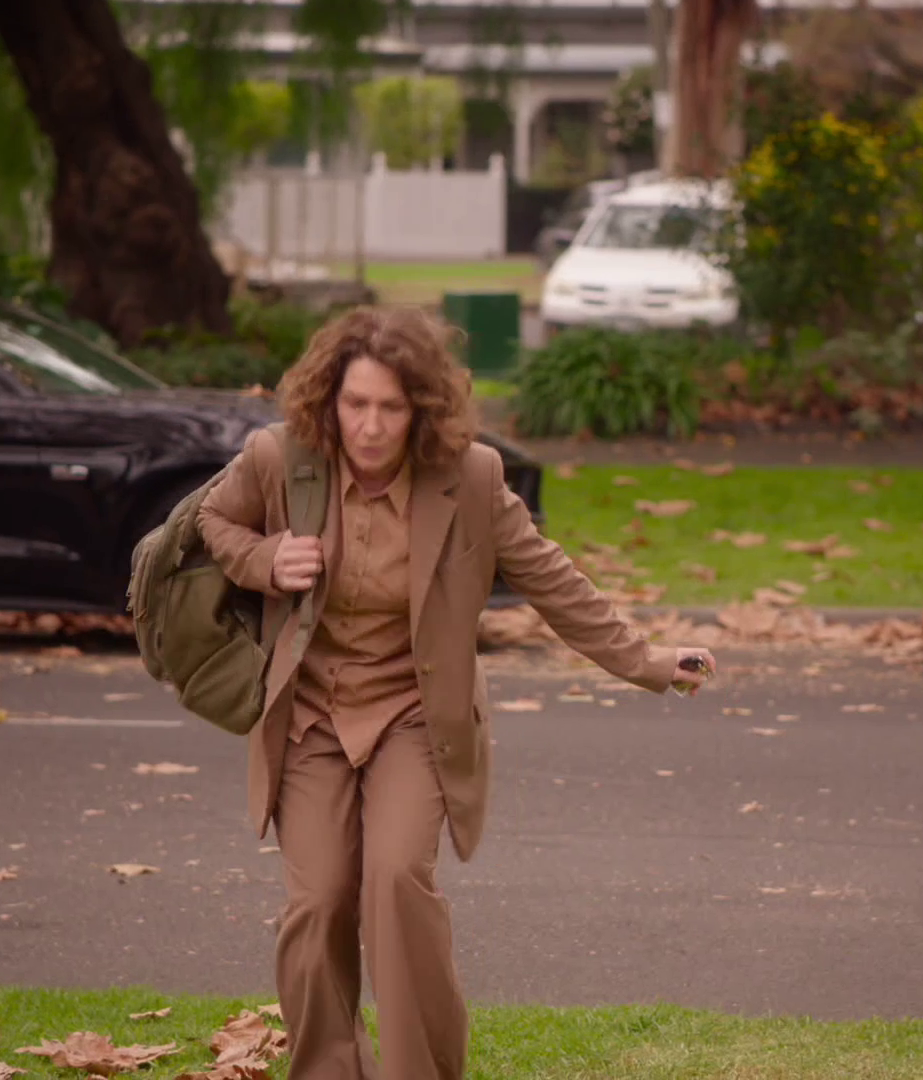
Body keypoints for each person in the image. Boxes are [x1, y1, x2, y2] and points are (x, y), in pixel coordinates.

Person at [197, 306, 716, 1080]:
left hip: (414, 711)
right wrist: (264, 560)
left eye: (392, 407)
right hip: (309, 714)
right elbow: (214, 520)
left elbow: (548, 576)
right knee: (318, 900)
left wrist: (648, 660)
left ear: (423, 409)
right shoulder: (280, 458)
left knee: (397, 882)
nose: (371, 426)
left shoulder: (470, 478)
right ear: (329, 400)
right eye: (355, 403)